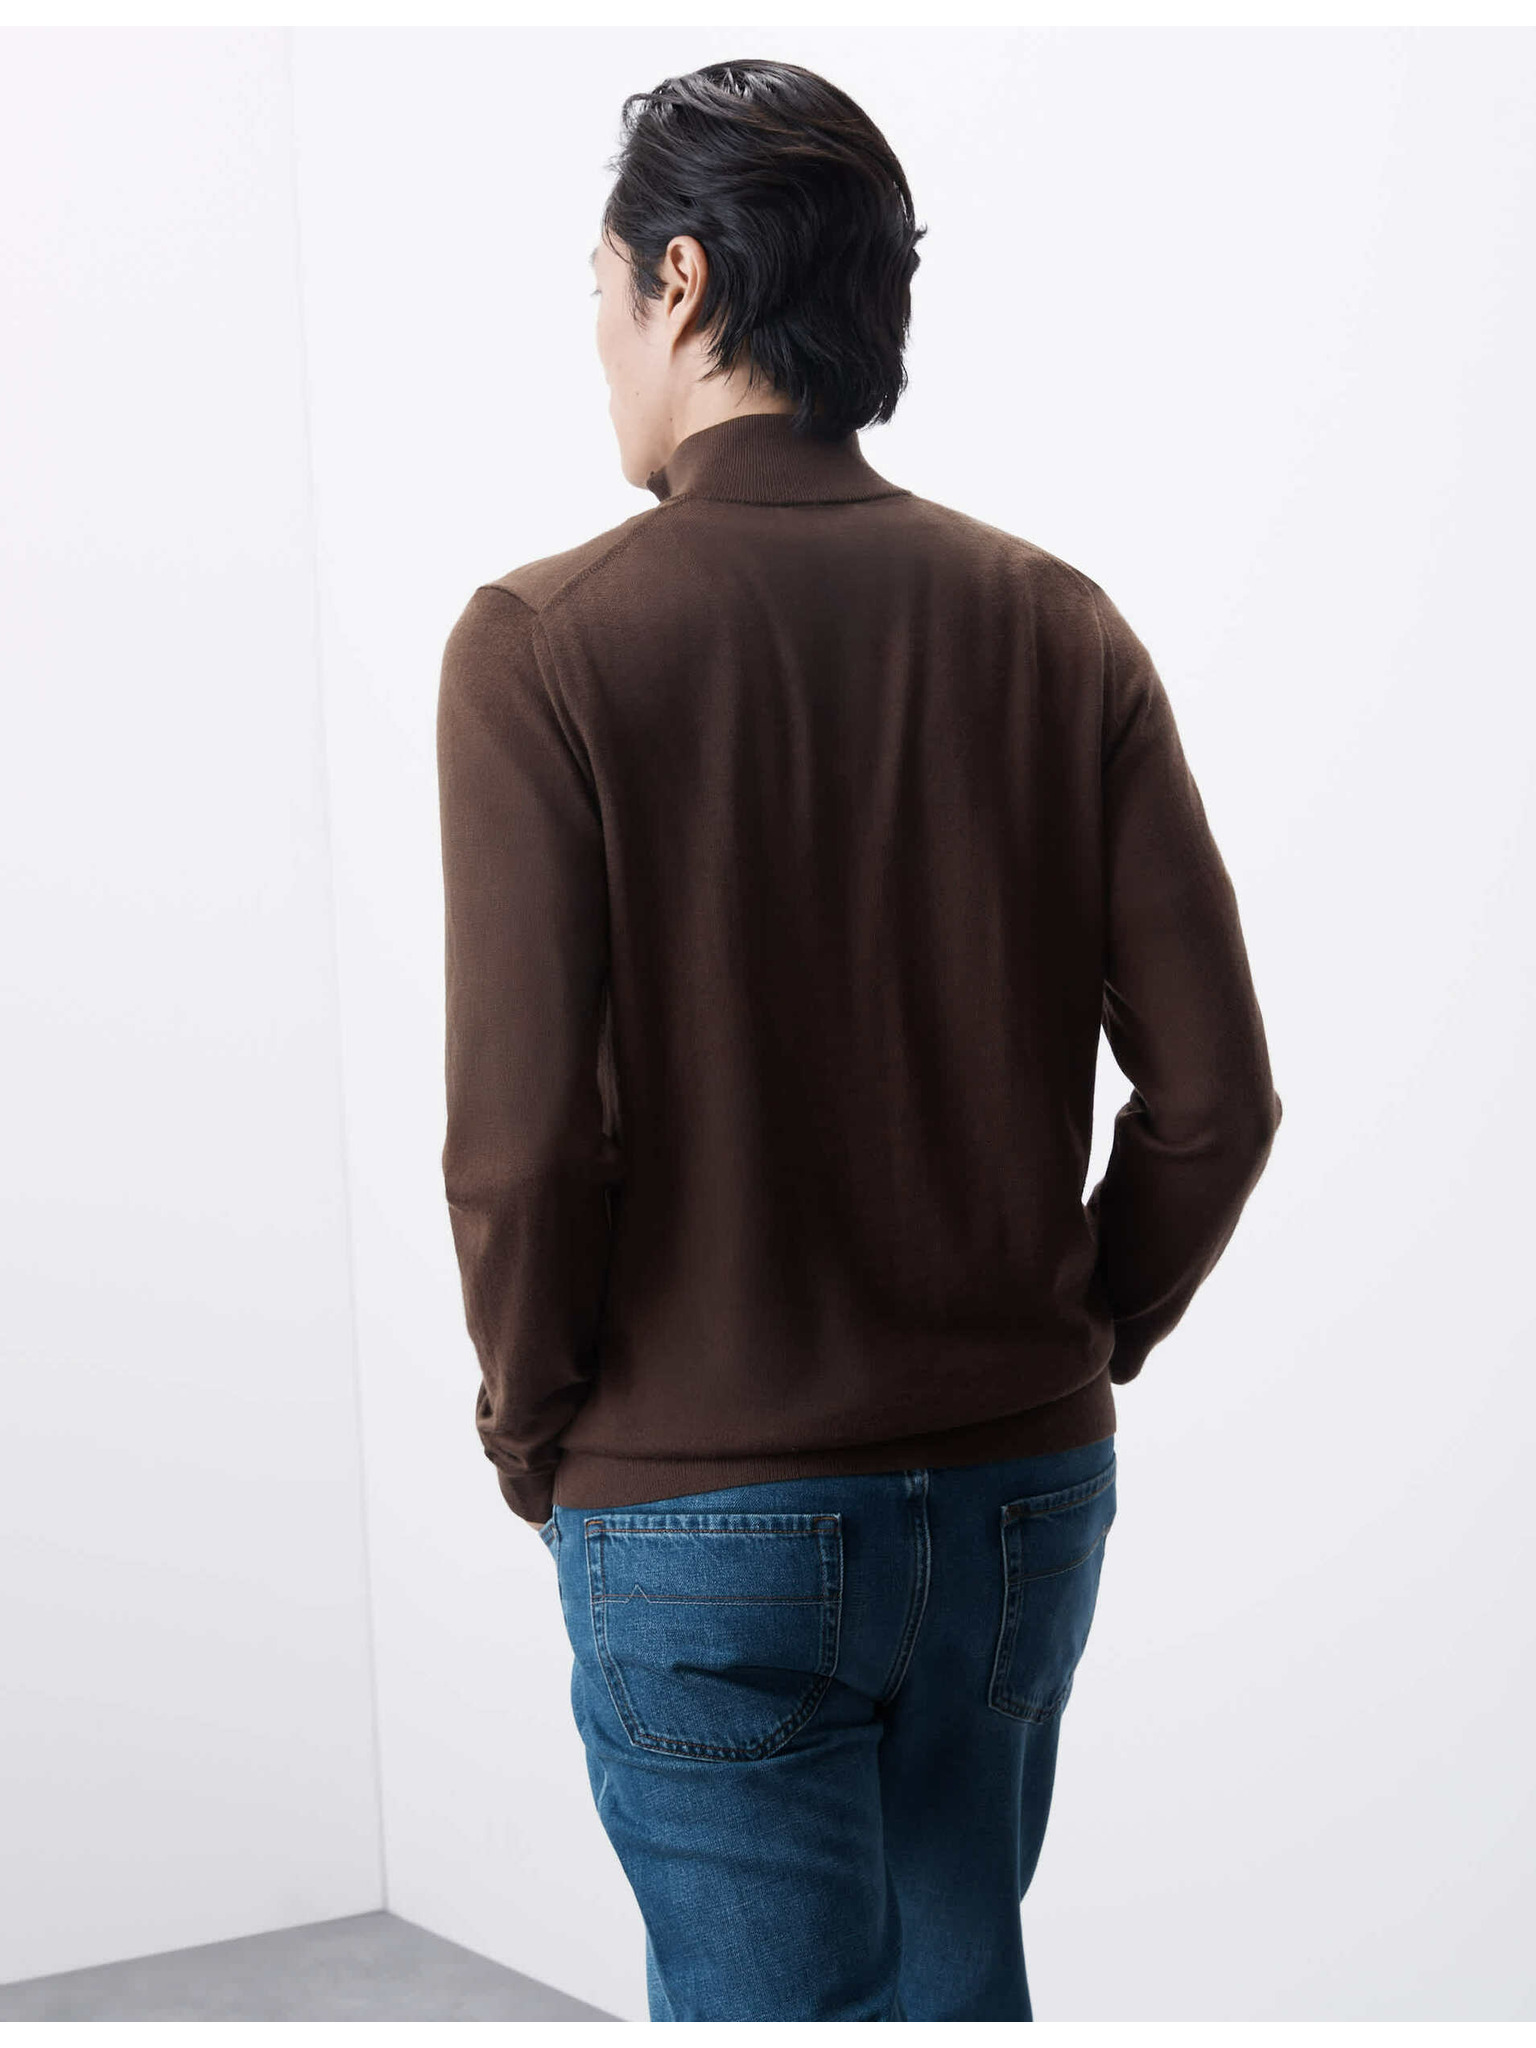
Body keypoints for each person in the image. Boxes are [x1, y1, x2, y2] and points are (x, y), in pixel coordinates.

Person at [435, 56, 1281, 2024]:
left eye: (600, 291)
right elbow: (1217, 1101)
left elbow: (523, 1150)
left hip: (696, 1503)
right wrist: (1074, 1334)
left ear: (681, 279)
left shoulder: (543, 646)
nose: (599, 343)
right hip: (1017, 1495)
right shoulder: (1057, 625)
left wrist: (537, 1433)